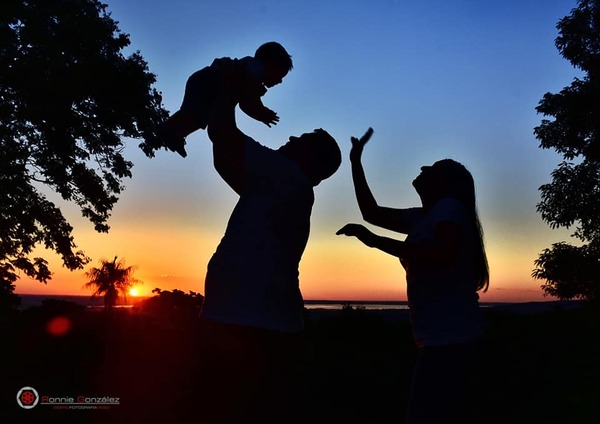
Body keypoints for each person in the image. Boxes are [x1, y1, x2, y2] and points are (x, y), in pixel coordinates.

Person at [197, 93, 341, 423]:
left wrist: (230, 89)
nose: (291, 138)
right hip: (246, 321)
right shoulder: (277, 184)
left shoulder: (288, 176)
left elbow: (223, 133)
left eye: (302, 141)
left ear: (312, 161)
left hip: (252, 326)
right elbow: (224, 160)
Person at [337, 128, 489, 424]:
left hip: (451, 339)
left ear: (444, 184)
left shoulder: (449, 208)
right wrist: (355, 162)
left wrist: (375, 241)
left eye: (431, 169)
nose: (422, 168)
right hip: (444, 338)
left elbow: (441, 256)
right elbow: (371, 213)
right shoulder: (426, 216)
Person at [158, 41, 293, 157]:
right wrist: (262, 113)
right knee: (194, 114)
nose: (280, 81)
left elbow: (247, 101)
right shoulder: (255, 69)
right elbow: (247, 102)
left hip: (204, 82)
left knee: (199, 117)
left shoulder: (253, 74)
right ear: (269, 63)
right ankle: (168, 129)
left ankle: (176, 134)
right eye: (280, 74)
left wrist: (260, 111)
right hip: (208, 82)